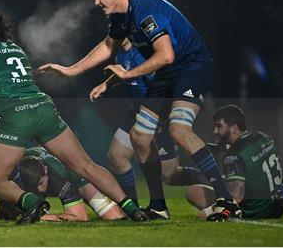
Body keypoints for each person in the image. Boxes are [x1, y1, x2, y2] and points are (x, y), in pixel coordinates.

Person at [39, 0, 239, 221]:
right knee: (140, 136)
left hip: (190, 67)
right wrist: (70, 70)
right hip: (167, 73)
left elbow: (166, 55)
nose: (96, 2)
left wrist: (127, 74)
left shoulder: (145, 10)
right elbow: (108, 46)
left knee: (178, 129)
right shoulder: (121, 16)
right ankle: (158, 207)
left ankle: (227, 201)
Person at [0, 12, 147, 224]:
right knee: (87, 167)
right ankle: (133, 209)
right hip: (43, 108)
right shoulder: (16, 49)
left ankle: (31, 203)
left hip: (14, 116)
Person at [89, 39, 208, 219]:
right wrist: (106, 84)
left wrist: (160, 119)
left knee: (170, 175)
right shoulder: (121, 51)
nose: (113, 31)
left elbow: (163, 84)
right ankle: (134, 209)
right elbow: (125, 71)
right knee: (116, 157)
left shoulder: (145, 53)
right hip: (136, 112)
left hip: (157, 113)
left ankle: (204, 183)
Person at [186, 105, 283, 219]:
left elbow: (236, 197)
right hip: (278, 205)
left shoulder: (232, 156)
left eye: (219, 126)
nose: (215, 131)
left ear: (233, 128)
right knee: (194, 191)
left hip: (256, 211)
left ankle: (235, 213)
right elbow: (248, 152)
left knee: (195, 198)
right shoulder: (263, 137)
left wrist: (209, 211)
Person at [0, 146, 126, 222]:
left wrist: (45, 217)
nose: (40, 189)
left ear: (45, 172)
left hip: (76, 177)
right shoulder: (16, 171)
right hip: (34, 166)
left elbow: (80, 217)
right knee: (9, 208)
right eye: (35, 186)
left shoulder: (58, 177)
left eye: (41, 183)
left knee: (114, 217)